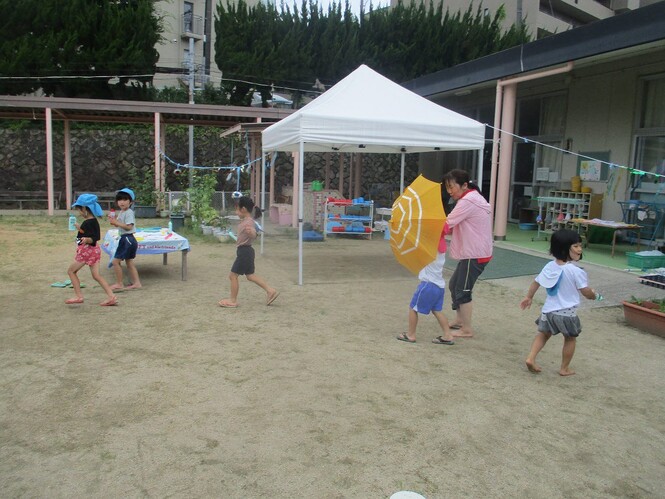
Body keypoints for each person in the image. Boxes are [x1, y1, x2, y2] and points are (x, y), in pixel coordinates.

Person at [520, 229, 602, 376]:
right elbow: (586, 291)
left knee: (543, 334)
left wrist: (529, 297)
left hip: (548, 311)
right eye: (576, 246)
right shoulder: (576, 271)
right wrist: (594, 295)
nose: (580, 249)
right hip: (567, 312)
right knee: (570, 338)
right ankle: (564, 368)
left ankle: (531, 357)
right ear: (565, 249)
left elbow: (536, 282)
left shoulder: (550, 266)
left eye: (580, 246)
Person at [442, 169, 493, 338]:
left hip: (475, 253)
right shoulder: (471, 198)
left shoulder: (468, 201)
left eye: (451, 187)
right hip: (473, 252)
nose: (450, 191)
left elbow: (448, 224)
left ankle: (467, 329)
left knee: (463, 290)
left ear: (464, 185)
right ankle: (459, 320)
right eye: (447, 188)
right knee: (454, 285)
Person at [218, 196, 279, 308]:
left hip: (244, 252)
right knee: (250, 276)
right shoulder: (247, 221)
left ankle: (233, 300)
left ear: (244, 209)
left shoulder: (248, 223)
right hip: (246, 251)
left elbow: (253, 233)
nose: (235, 212)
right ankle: (270, 291)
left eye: (237, 209)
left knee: (233, 276)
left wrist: (253, 233)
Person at [396, 229, 455, 345]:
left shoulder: (429, 249)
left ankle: (411, 334)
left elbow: (415, 248)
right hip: (439, 286)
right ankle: (447, 335)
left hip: (428, 285)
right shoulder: (441, 248)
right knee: (437, 310)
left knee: (413, 308)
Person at [65, 194, 117, 306]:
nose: (79, 212)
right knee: (96, 275)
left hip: (87, 251)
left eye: (79, 209)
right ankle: (111, 296)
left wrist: (87, 239)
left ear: (84, 209)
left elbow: (95, 237)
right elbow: (90, 234)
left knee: (71, 271)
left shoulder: (89, 222)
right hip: (93, 251)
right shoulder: (91, 222)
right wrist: (80, 230)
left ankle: (79, 296)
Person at [108, 187, 142, 290]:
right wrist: (114, 221)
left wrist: (117, 222)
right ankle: (137, 283)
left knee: (115, 261)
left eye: (125, 200)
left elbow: (129, 226)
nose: (121, 202)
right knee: (129, 262)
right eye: (119, 200)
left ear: (130, 202)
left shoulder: (129, 212)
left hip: (128, 239)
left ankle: (119, 283)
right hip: (126, 239)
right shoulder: (122, 212)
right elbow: (119, 225)